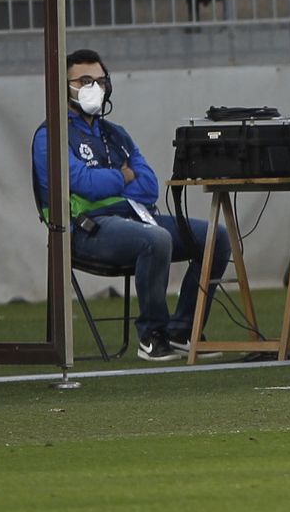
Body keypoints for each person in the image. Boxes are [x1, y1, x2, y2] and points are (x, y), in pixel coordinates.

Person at [31, 48, 231, 362]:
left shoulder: (116, 134)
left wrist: (112, 180)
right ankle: (153, 336)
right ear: (63, 87)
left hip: (136, 218)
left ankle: (182, 331)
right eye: (84, 81)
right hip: (85, 229)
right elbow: (82, 183)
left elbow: (150, 185)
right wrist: (123, 176)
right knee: (156, 239)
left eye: (99, 81)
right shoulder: (50, 137)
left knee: (216, 238)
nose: (94, 88)